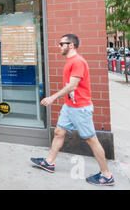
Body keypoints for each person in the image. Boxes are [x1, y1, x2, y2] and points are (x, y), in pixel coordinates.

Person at [31, 34, 115, 186]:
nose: (59, 46)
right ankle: (49, 162)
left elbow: (72, 86)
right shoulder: (71, 61)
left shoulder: (78, 62)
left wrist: (52, 98)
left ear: (71, 45)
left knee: (91, 139)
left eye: (61, 43)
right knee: (59, 132)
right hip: (69, 107)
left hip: (80, 108)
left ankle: (106, 175)